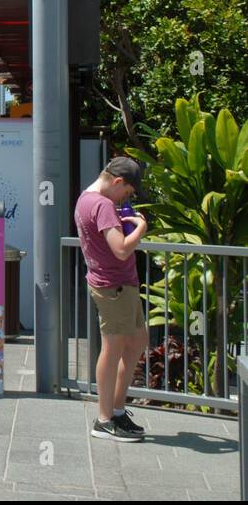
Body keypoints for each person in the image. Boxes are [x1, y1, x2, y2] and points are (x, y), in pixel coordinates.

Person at [75, 156, 149, 442]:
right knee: (114, 346)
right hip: (114, 286)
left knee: (137, 341)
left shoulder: (85, 199)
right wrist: (141, 228)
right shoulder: (103, 205)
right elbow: (120, 250)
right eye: (128, 192)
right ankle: (105, 418)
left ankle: (116, 411)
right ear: (117, 182)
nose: (125, 199)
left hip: (114, 284)